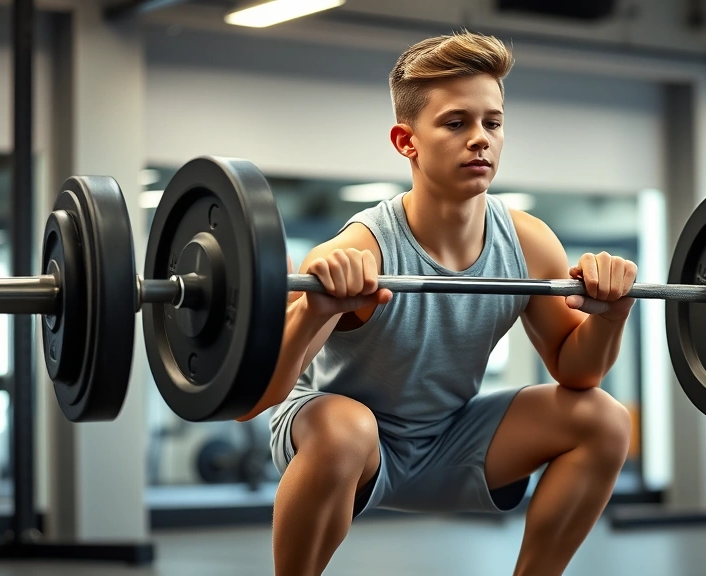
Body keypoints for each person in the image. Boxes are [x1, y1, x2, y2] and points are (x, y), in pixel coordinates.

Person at [239, 31, 637, 576]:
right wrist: (318, 307)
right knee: (348, 427)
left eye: (492, 123)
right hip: (339, 443)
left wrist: (610, 314)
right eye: (456, 123)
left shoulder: (527, 242)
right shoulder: (359, 249)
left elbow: (577, 370)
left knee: (603, 419)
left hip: (450, 438)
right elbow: (255, 399)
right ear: (407, 142)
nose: (481, 139)